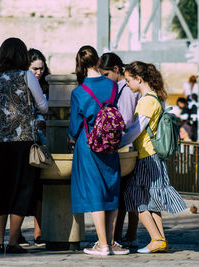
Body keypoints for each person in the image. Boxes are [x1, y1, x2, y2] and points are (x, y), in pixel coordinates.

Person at [0, 37, 48, 254]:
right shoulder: (27, 76)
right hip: (23, 139)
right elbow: (42, 105)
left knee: (2, 189)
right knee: (22, 189)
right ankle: (13, 241)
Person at [120, 61, 187, 254]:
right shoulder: (153, 98)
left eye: (128, 80)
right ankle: (160, 241)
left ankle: (157, 239)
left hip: (146, 157)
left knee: (137, 200)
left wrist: (117, 143)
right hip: (152, 157)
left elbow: (137, 129)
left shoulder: (146, 101)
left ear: (138, 79)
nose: (126, 84)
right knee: (153, 201)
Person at [69, 45, 129, 256]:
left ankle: (103, 245)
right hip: (111, 143)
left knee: (95, 192)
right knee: (111, 190)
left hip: (89, 144)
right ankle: (111, 242)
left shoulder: (79, 92)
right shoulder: (112, 86)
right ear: (97, 61)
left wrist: (70, 138)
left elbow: (75, 126)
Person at [99, 52, 139, 248]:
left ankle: (124, 235)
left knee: (126, 195)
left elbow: (128, 120)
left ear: (116, 70)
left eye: (106, 74)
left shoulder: (126, 89)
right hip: (123, 143)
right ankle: (120, 235)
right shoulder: (117, 88)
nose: (104, 78)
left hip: (126, 144)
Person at [17, 49, 50, 248]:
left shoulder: (48, 84)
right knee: (23, 186)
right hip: (26, 138)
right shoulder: (22, 84)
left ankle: (39, 231)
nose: (38, 72)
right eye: (35, 69)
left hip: (43, 140)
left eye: (41, 68)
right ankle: (17, 231)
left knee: (40, 187)